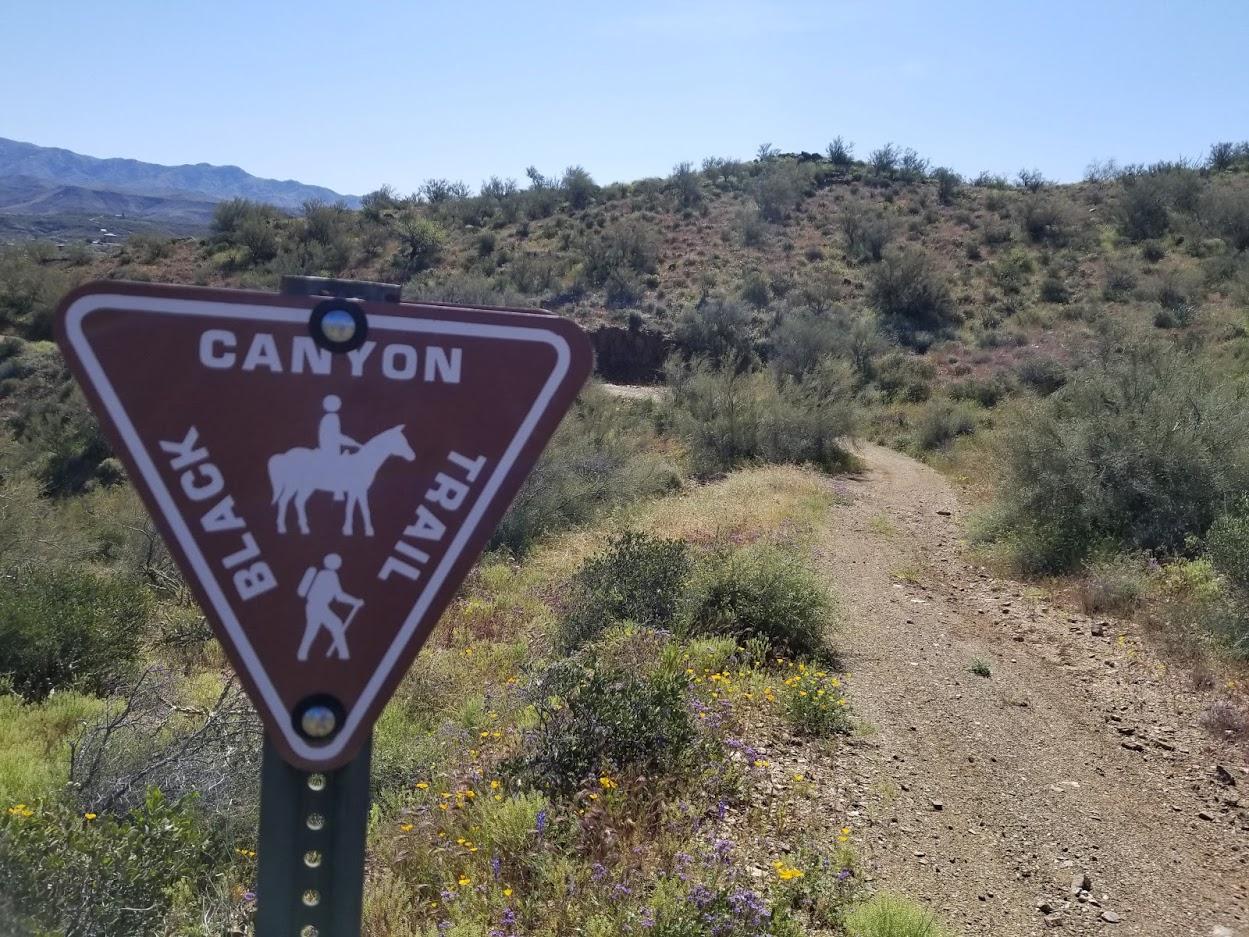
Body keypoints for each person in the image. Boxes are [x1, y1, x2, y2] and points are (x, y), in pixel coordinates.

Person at [297, 553, 363, 661]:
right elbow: (339, 596)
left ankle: (303, 654)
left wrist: (354, 602)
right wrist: (355, 601)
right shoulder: (330, 575)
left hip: (313, 606)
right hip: (318, 607)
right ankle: (344, 655)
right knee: (332, 625)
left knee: (316, 629)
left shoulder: (321, 573)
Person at [318, 395, 360, 501]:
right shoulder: (332, 418)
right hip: (330, 450)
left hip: (329, 448)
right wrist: (353, 443)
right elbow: (336, 436)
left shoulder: (328, 417)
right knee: (343, 465)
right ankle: (338, 491)